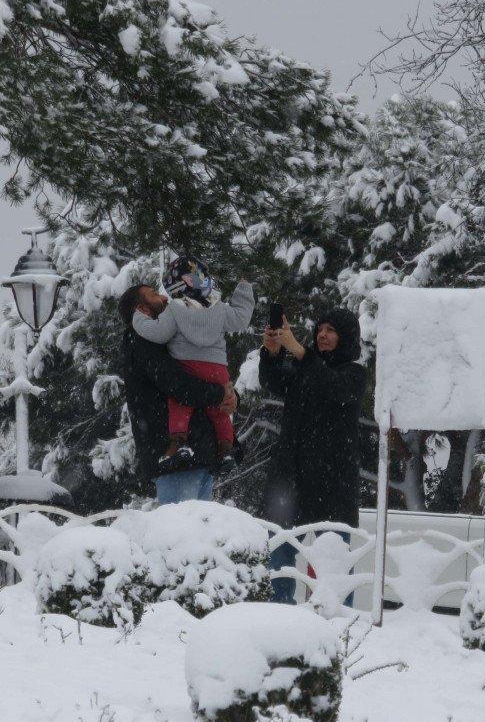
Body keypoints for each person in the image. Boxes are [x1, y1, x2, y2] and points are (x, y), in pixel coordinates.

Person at [259, 309, 367, 603]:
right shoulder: (303, 368)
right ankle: (279, 617)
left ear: (346, 337)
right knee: (279, 556)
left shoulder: (354, 373)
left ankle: (336, 630)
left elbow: (332, 386)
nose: (322, 335)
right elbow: (274, 382)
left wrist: (299, 352)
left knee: (332, 569)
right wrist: (271, 354)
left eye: (331, 330)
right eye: (320, 328)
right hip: (291, 479)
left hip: (332, 484)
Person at [118, 283, 238, 503]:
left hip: (196, 454)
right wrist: (219, 394)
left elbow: (201, 369)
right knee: (183, 532)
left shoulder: (167, 335)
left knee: (198, 534)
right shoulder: (141, 340)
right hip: (175, 458)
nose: (164, 298)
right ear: (141, 310)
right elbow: (177, 384)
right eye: (154, 295)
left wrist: (229, 395)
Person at [131, 255, 253, 463]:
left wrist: (138, 318)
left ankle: (179, 442)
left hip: (187, 366)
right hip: (217, 369)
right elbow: (241, 319)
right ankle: (227, 448)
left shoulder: (174, 309)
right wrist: (243, 288)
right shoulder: (220, 308)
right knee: (220, 411)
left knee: (180, 403)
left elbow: (160, 333)